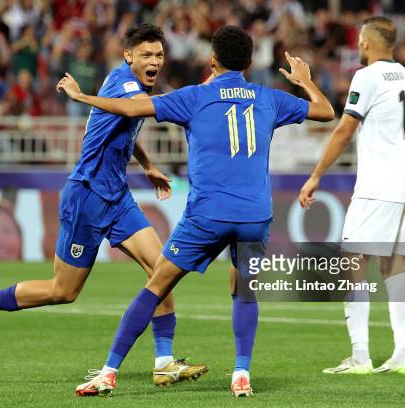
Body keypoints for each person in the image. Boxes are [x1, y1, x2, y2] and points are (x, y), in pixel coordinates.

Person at [56, 25, 334, 397]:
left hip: (208, 215)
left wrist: (82, 97)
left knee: (157, 284)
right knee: (244, 292)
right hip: (254, 216)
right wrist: (304, 81)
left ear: (212, 59)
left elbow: (131, 106)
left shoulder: (194, 97)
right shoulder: (269, 98)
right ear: (250, 62)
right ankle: (241, 375)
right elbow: (326, 111)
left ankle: (107, 373)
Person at [0, 24, 208, 388]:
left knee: (162, 270)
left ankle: (165, 361)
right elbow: (135, 109)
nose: (155, 61)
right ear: (128, 56)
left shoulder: (131, 89)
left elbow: (128, 122)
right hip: (87, 195)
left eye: (159, 55)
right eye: (147, 55)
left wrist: (148, 165)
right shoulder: (125, 86)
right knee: (63, 291)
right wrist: (82, 97)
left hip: (116, 196)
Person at [298, 17, 405, 375]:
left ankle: (361, 355)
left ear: (365, 42)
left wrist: (316, 175)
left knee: (352, 260)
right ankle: (403, 353)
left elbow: (344, 130)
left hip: (378, 184)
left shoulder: (367, 77)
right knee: (393, 266)